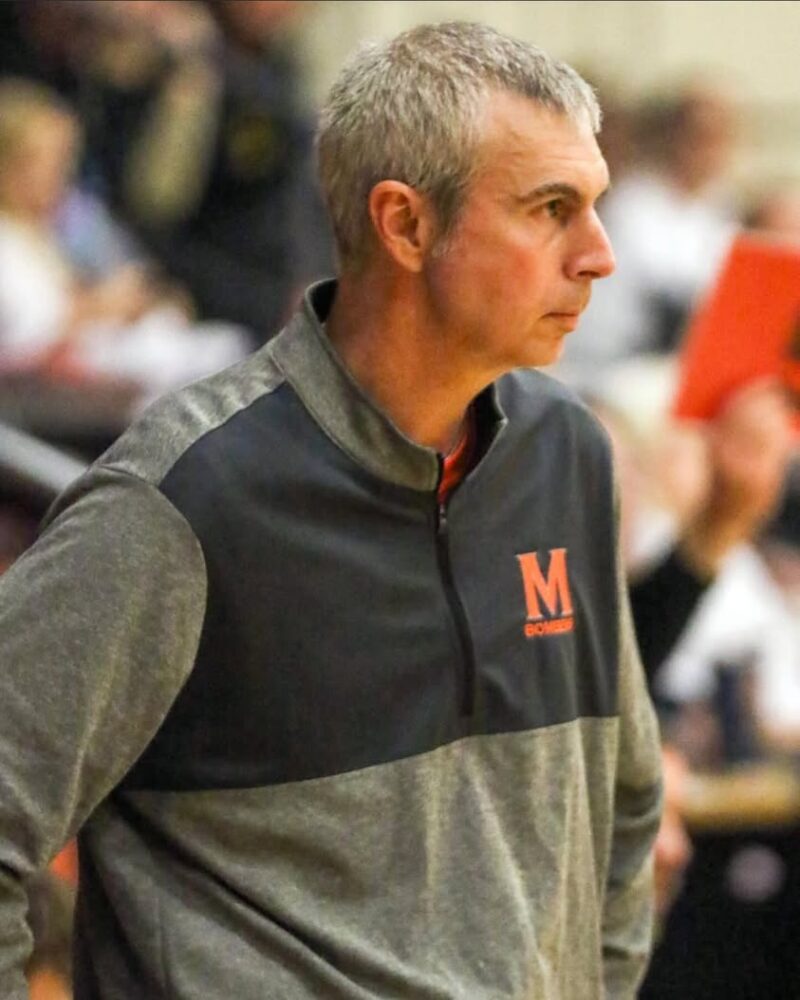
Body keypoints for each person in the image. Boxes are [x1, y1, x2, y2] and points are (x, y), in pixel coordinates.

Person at [0, 22, 662, 999]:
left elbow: (625, 805)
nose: (598, 255)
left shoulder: (569, 453)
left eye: (594, 205)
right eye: (550, 209)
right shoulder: (182, 497)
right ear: (405, 225)